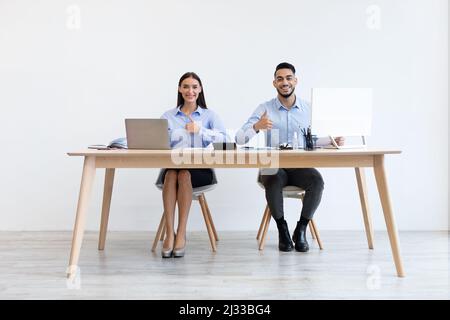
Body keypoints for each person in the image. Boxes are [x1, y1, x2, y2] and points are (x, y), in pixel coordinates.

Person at [236, 62, 344, 252]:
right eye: (280, 79)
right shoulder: (265, 108)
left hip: (299, 166)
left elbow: (312, 140)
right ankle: (282, 230)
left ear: (295, 80)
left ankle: (301, 229)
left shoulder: (308, 109)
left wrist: (331, 141)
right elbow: (239, 138)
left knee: (317, 181)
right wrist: (256, 127)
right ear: (274, 83)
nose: (284, 82)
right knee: (272, 178)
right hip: (273, 165)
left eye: (288, 78)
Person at [159, 72, 226, 258]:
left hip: (200, 170)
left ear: (200, 90)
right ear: (180, 89)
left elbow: (226, 141)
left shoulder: (209, 115)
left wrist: (201, 130)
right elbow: (157, 141)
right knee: (173, 174)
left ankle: (181, 233)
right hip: (172, 167)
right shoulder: (168, 116)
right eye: (186, 86)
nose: (190, 91)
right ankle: (169, 233)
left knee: (183, 174)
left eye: (194, 87)